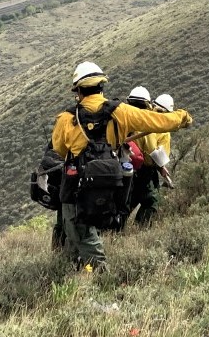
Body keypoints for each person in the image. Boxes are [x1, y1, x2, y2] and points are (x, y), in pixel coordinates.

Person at [52, 62, 192, 269]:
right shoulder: (121, 112)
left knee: (77, 228)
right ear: (101, 87)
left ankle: (99, 273)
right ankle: (78, 269)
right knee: (95, 224)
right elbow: (158, 121)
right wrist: (183, 117)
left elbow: (60, 149)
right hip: (111, 180)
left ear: (79, 91)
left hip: (76, 184)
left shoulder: (67, 119)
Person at [124, 86, 163, 228]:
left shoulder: (123, 120)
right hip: (143, 171)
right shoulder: (145, 124)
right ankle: (140, 228)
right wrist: (162, 166)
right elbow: (152, 150)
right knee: (151, 201)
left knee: (126, 202)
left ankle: (115, 229)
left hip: (123, 169)